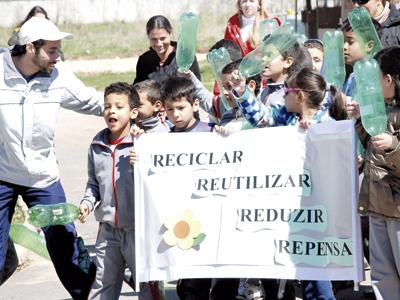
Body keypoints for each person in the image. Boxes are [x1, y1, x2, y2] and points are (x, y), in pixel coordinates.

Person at [0, 17, 103, 299]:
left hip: (43, 178)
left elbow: (93, 102)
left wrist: (134, 111)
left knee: (65, 247)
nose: (58, 56)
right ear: (31, 48)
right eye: (53, 50)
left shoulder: (59, 75)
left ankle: (91, 295)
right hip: (2, 176)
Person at [230, 67, 347, 300]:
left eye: (287, 90)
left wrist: (317, 136)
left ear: (300, 96)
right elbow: (261, 117)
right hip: (287, 208)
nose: (283, 95)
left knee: (317, 274)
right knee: (295, 270)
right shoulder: (286, 115)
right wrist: (242, 92)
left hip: (317, 209)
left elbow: (338, 161)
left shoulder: (327, 123)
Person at [79, 82, 150, 299]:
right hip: (108, 230)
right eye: (107, 106)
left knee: (148, 286)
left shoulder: (143, 143)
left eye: (119, 107)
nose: (112, 111)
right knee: (102, 285)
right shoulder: (96, 145)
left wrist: (145, 161)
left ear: (133, 112)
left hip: (138, 230)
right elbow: (93, 184)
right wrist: (87, 203)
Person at [346, 46, 400, 300]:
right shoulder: (382, 108)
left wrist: (395, 145)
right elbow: (370, 145)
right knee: (381, 275)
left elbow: (390, 151)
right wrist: (360, 120)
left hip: (397, 210)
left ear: (388, 79)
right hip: (378, 205)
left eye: (376, 77)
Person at [133, 15, 201, 85]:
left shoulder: (186, 57)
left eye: (163, 38)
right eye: (154, 39)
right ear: (148, 37)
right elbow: (138, 90)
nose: (159, 44)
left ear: (170, 34)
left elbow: (197, 88)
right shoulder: (144, 60)